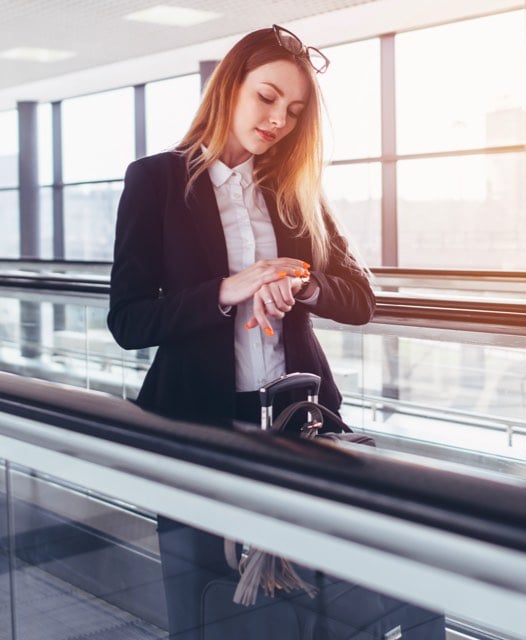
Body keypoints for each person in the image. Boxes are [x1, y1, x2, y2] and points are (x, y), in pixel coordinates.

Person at [107, 24, 376, 639]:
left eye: (294, 109)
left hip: (296, 422)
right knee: (201, 605)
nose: (279, 119)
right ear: (230, 86)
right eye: (267, 96)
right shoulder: (157, 180)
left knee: (305, 605)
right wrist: (229, 290)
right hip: (196, 427)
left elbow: (360, 299)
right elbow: (128, 321)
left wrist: (302, 285)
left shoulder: (292, 189)